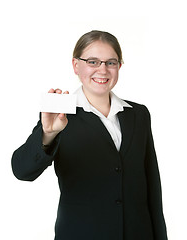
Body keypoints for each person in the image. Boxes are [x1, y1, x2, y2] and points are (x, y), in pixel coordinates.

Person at [11, 30, 168, 240]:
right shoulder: (60, 114)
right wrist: (48, 133)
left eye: (110, 62)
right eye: (92, 62)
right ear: (76, 65)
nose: (102, 70)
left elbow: (152, 187)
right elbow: (22, 170)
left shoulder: (138, 114)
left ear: (119, 66)